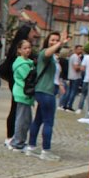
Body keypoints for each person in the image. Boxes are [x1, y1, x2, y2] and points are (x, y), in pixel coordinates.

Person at [24, 31, 68, 161]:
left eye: (56, 40)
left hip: (48, 90)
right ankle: (45, 150)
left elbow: (53, 75)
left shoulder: (54, 57)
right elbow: (48, 53)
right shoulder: (45, 53)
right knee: (49, 121)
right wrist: (60, 43)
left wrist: (59, 84)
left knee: (38, 119)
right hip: (46, 91)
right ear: (47, 41)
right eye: (52, 40)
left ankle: (31, 147)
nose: (54, 42)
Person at [0, 23, 38, 147]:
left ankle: (14, 136)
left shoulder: (21, 49)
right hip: (19, 84)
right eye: (32, 32)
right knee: (17, 110)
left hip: (17, 83)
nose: (34, 35)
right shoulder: (19, 52)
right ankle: (11, 136)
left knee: (17, 110)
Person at [8, 39, 35, 152]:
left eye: (29, 47)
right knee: (22, 120)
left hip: (25, 94)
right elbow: (29, 79)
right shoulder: (22, 64)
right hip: (23, 93)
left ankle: (19, 140)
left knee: (26, 119)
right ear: (19, 50)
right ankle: (17, 143)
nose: (28, 50)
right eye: (25, 48)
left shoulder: (28, 62)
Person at [60, 44, 83, 111]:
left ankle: (65, 104)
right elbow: (75, 67)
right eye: (79, 49)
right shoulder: (75, 57)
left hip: (71, 76)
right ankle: (69, 105)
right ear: (75, 49)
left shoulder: (73, 56)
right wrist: (81, 68)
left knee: (70, 91)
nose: (81, 50)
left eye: (81, 49)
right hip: (75, 77)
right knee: (73, 92)